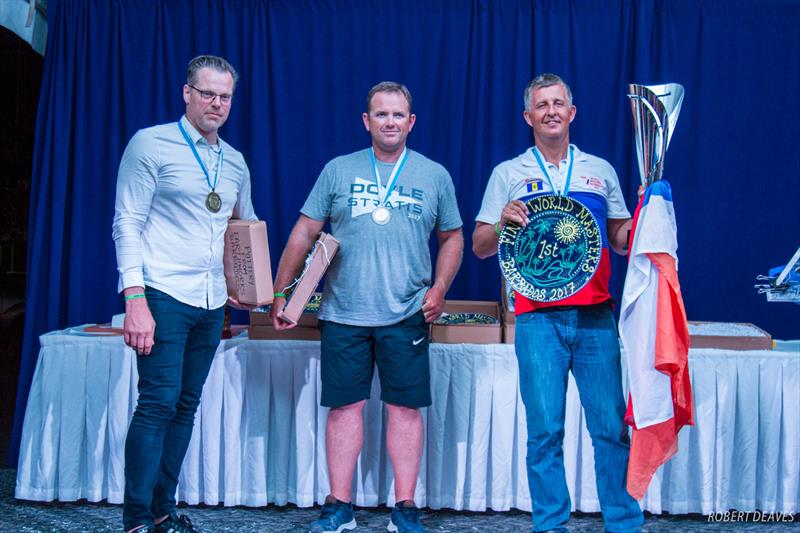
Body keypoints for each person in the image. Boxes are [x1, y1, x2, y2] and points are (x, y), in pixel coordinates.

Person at [271, 81, 463, 533]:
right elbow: (303, 232)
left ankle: (406, 507)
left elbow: (453, 236)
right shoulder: (338, 170)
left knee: (404, 410)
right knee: (344, 409)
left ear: (411, 122)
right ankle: (339, 505)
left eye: (398, 115)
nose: (390, 122)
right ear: (366, 121)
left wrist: (439, 287)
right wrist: (282, 293)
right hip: (344, 313)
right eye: (381, 115)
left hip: (407, 313)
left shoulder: (434, 175)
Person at [472, 73, 644, 532]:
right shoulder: (507, 174)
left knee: (610, 428)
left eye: (558, 103)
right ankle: (550, 525)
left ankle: (624, 523)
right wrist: (502, 221)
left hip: (595, 318)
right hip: (537, 320)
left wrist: (651, 214)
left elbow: (622, 239)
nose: (550, 111)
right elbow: (481, 244)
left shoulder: (600, 170)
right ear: (529, 117)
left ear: (572, 112)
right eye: (541, 105)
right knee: (545, 432)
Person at [112, 55, 257, 533]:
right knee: (157, 402)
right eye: (208, 93)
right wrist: (135, 300)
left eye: (225, 96)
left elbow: (242, 229)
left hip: (211, 301)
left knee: (185, 405)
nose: (217, 103)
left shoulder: (234, 160)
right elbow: (127, 222)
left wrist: (246, 287)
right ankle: (136, 520)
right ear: (187, 93)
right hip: (162, 294)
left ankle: (162, 511)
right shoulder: (150, 144)